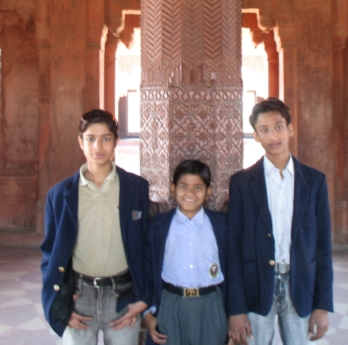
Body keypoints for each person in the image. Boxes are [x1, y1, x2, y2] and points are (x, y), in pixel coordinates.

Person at [227, 98, 333, 345]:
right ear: (255, 135)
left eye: (278, 127)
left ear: (290, 129)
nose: (273, 136)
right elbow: (233, 249)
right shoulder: (242, 183)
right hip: (257, 287)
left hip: (300, 286)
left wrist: (322, 305)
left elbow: (323, 248)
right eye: (264, 130)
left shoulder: (314, 181)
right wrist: (236, 308)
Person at [40, 109, 150, 344]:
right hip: (79, 295)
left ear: (116, 142)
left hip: (123, 294)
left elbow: (146, 244)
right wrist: (61, 302)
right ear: (81, 142)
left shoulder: (136, 188)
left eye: (106, 139)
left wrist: (144, 298)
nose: (98, 146)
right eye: (90, 139)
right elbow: (50, 252)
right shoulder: (60, 195)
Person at [143, 159, 228, 345]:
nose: (190, 193)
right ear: (173, 189)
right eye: (183, 186)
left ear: (208, 192)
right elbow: (147, 271)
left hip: (211, 305)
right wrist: (148, 314)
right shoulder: (158, 226)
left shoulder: (222, 226)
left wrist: (234, 315)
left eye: (198, 187)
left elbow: (236, 271)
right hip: (170, 303)